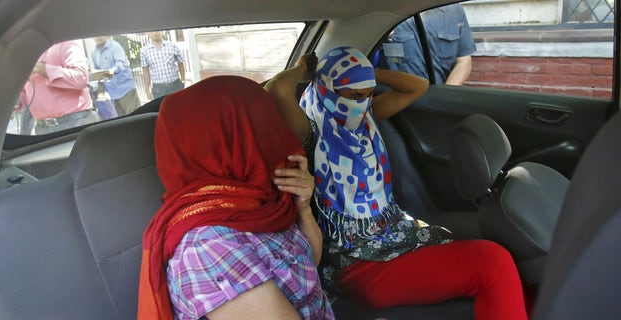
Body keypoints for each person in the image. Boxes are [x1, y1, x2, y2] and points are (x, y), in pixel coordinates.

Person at [265, 47, 528, 320]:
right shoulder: (310, 129)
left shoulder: (365, 118)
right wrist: (302, 69)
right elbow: (277, 91)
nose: (362, 103)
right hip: (359, 261)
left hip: (394, 233)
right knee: (493, 262)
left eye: (368, 94)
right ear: (326, 88)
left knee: (505, 254)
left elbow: (417, 87)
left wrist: (368, 73)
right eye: (354, 95)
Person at [137, 75, 334, 320]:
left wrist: (303, 208)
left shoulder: (258, 201)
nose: (280, 135)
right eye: (266, 126)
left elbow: (309, 267)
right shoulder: (209, 247)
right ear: (234, 141)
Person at [379, 3, 475, 85]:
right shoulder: (385, 11)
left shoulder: (454, 11)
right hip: (397, 98)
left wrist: (445, 95)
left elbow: (463, 61)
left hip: (437, 96)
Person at [17, 40, 100, 135]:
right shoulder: (27, 54)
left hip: (75, 123)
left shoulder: (65, 42)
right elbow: (23, 99)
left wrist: (42, 69)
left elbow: (81, 78)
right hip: (42, 128)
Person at [91, 36, 141, 116]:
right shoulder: (94, 52)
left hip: (125, 89)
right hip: (112, 93)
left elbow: (120, 64)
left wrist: (113, 71)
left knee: (136, 116)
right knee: (121, 120)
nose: (98, 37)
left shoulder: (115, 46)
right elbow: (97, 71)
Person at [140, 31, 186, 100]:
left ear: (161, 31)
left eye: (157, 30)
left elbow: (180, 64)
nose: (154, 33)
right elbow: (146, 72)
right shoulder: (144, 51)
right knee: (162, 109)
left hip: (176, 86)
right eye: (151, 31)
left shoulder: (172, 46)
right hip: (159, 89)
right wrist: (147, 90)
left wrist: (183, 80)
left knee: (180, 108)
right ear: (147, 33)